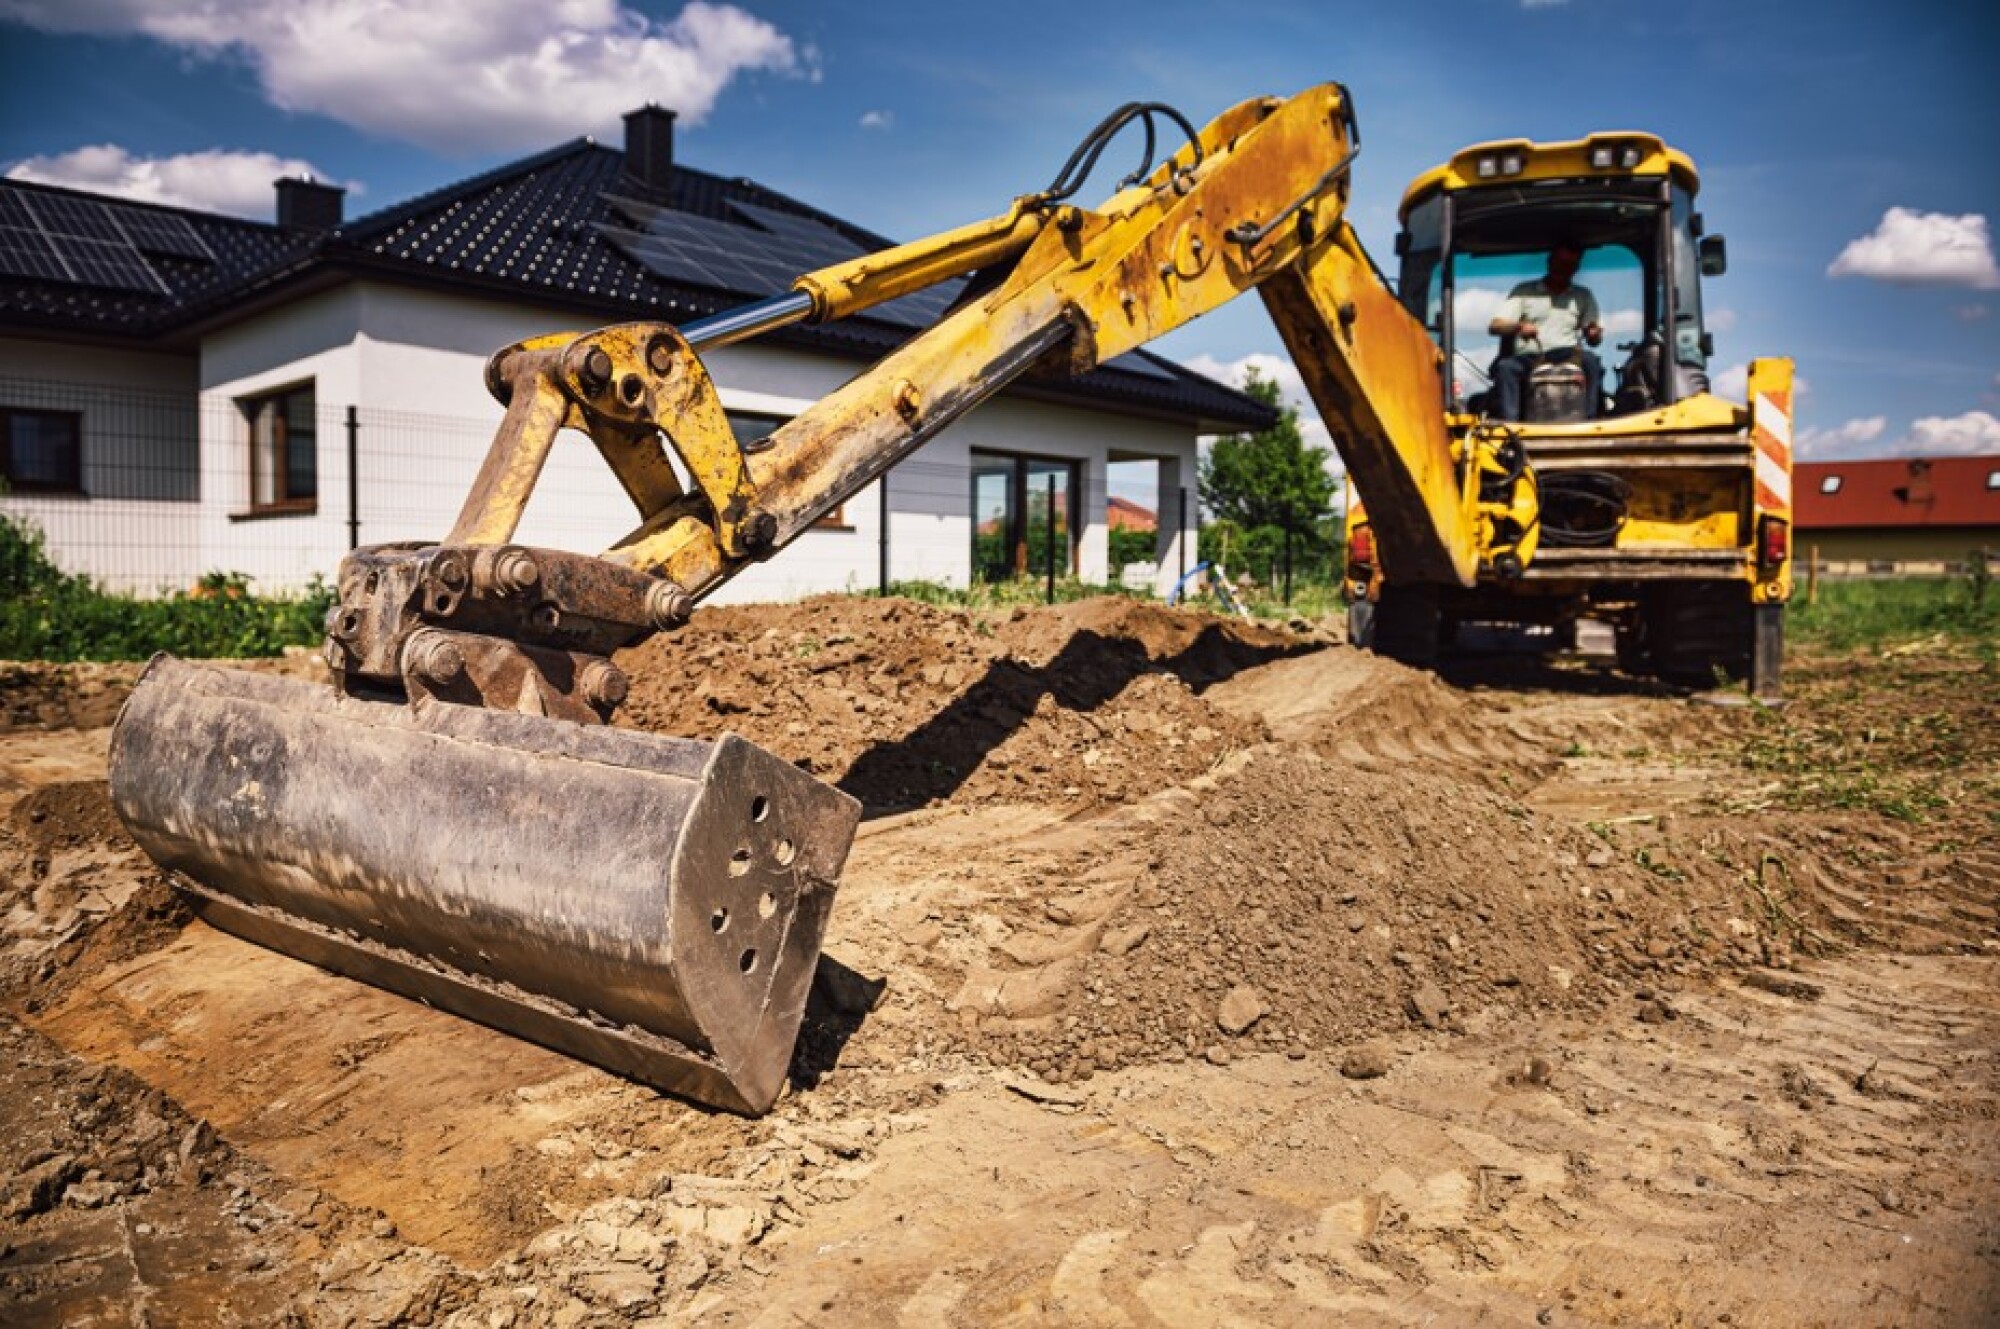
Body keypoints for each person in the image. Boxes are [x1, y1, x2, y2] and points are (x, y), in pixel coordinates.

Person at [1487, 239, 1603, 420]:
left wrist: (1594, 333)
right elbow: (1495, 325)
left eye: (1571, 265)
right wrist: (1519, 326)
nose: (1565, 269)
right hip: (1530, 357)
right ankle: (1511, 426)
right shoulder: (1524, 291)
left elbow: (1594, 339)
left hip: (1569, 354)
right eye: (1561, 263)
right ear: (1550, 262)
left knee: (1592, 362)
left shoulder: (1583, 296)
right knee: (1506, 367)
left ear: (1576, 268)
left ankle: (1590, 420)